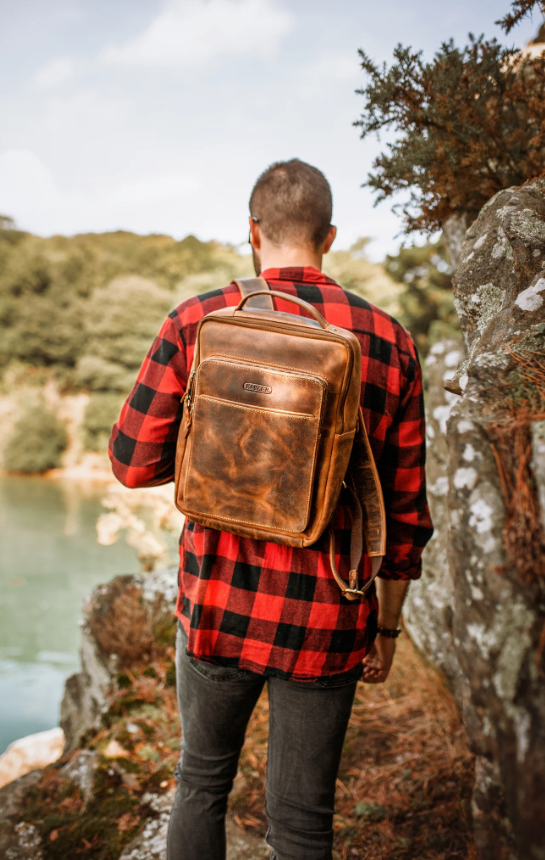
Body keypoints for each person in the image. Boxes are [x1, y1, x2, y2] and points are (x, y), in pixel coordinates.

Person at [109, 158, 433, 860]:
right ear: (331, 235)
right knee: (303, 819)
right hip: (328, 613)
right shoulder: (389, 341)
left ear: (252, 233)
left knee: (200, 782)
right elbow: (404, 514)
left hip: (218, 600)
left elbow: (131, 463)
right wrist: (387, 628)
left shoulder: (199, 319)